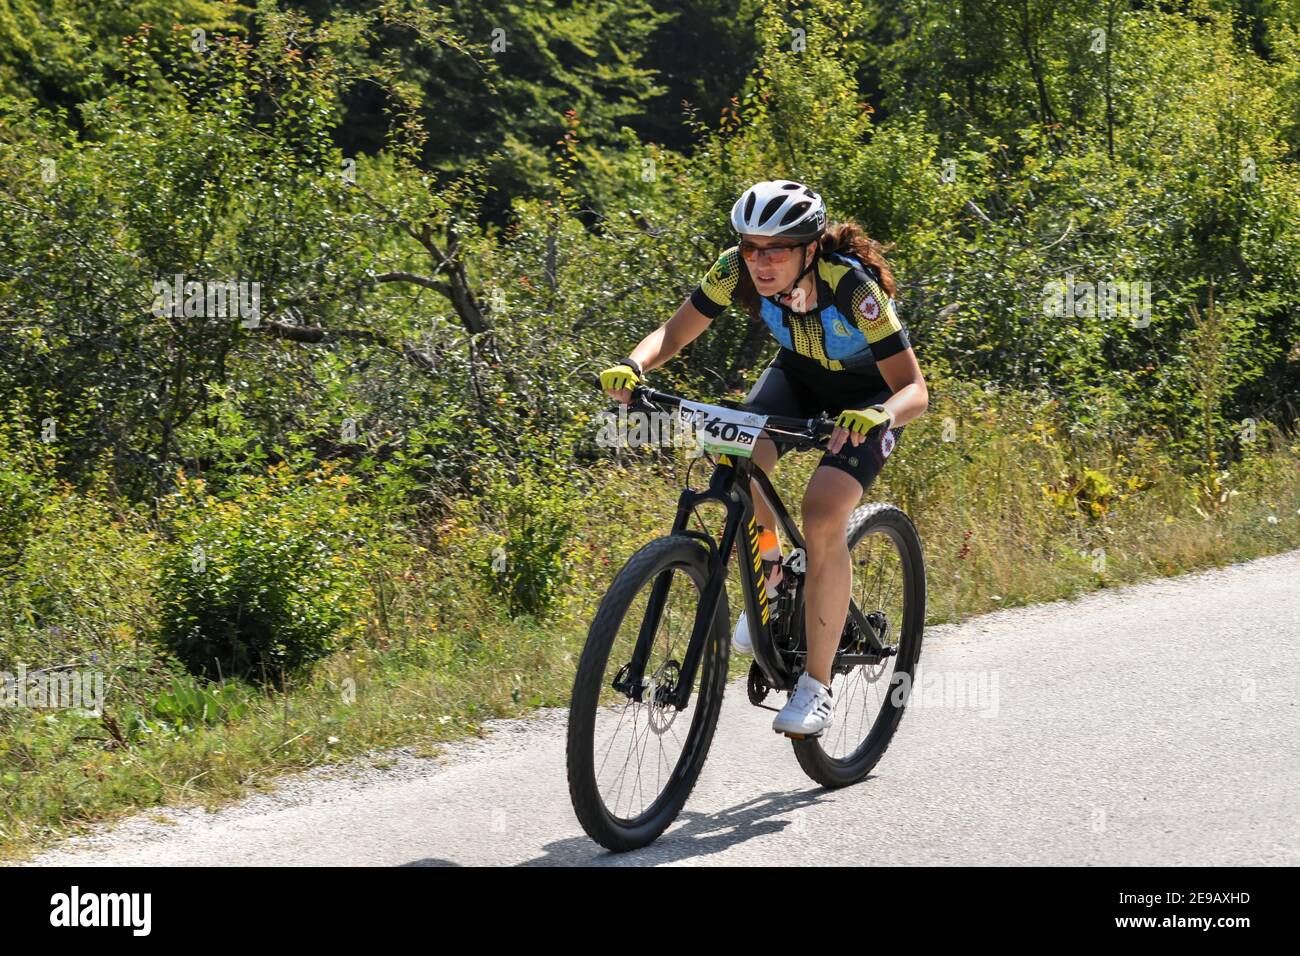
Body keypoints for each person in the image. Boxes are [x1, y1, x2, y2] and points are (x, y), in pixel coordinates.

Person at [599, 179, 929, 737]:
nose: (761, 261)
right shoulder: (734, 270)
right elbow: (674, 333)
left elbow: (914, 390)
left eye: (775, 249)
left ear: (809, 248)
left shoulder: (851, 287)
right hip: (797, 379)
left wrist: (879, 417)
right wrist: (633, 365)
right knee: (735, 461)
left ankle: (816, 687)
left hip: (867, 398)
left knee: (822, 512)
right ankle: (775, 580)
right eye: (751, 247)